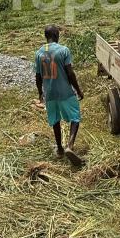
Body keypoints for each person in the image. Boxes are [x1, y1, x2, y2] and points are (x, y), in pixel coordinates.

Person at [34, 24, 85, 165]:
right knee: (75, 117)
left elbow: (38, 77)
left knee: (55, 120)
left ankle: (60, 149)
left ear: (46, 37)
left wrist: (40, 93)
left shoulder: (39, 53)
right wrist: (78, 90)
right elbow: (70, 73)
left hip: (50, 94)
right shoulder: (64, 50)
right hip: (65, 92)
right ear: (57, 36)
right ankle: (70, 145)